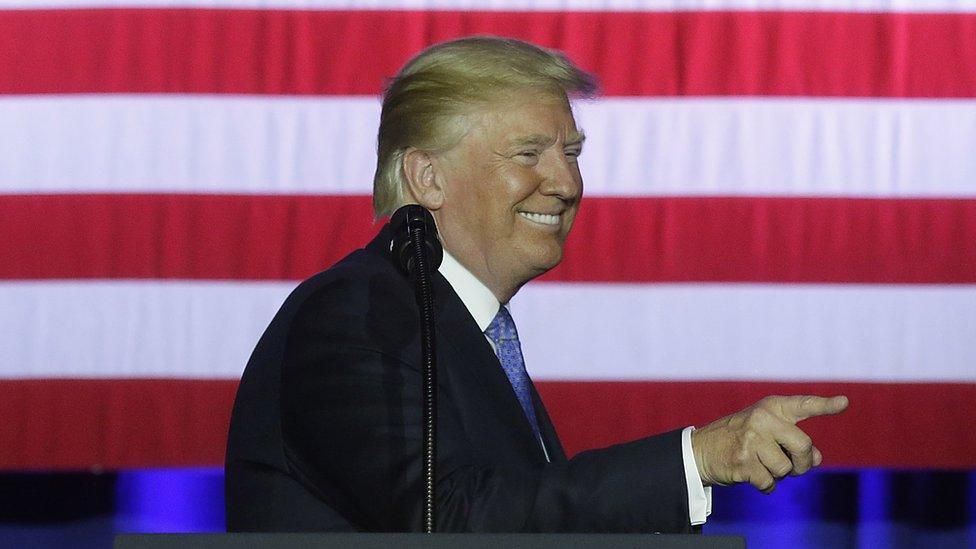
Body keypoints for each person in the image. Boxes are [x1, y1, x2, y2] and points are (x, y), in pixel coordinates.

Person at [225, 36, 849, 533]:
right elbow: (446, 519)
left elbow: (526, 518)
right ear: (427, 179)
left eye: (572, 152)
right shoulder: (355, 314)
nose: (567, 184)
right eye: (529, 154)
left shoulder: (464, 326)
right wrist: (698, 459)